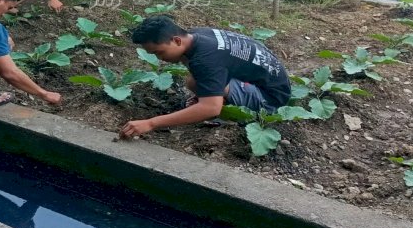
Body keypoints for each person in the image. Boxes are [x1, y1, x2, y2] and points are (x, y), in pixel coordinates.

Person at [120, 16, 290, 138]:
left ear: (177, 40)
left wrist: (150, 123)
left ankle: (238, 116)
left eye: (159, 52)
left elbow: (210, 108)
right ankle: (225, 100)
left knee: (202, 94)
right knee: (195, 81)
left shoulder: (206, 59)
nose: (159, 58)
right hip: (267, 81)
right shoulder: (196, 35)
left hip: (270, 99)